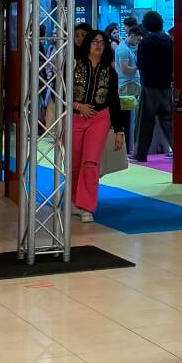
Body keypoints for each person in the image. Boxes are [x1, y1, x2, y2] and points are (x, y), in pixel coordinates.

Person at [71, 29, 115, 223]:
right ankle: (74, 199)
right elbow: (58, 90)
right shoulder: (73, 64)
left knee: (90, 162)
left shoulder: (109, 70)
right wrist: (77, 105)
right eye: (95, 41)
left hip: (99, 118)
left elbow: (114, 100)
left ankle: (87, 206)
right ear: (88, 44)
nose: (98, 45)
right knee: (75, 163)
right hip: (75, 117)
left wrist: (119, 130)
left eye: (102, 42)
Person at [133, 9, 174, 161]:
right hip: (166, 86)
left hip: (149, 86)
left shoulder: (145, 42)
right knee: (169, 122)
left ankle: (140, 153)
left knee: (145, 122)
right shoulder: (169, 41)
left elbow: (140, 65)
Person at [115, 17, 142, 154]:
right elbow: (125, 69)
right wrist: (140, 67)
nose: (138, 41)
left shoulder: (127, 48)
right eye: (137, 39)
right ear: (133, 35)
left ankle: (129, 145)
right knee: (127, 118)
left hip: (132, 84)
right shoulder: (123, 50)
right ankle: (126, 146)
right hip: (127, 86)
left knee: (132, 118)